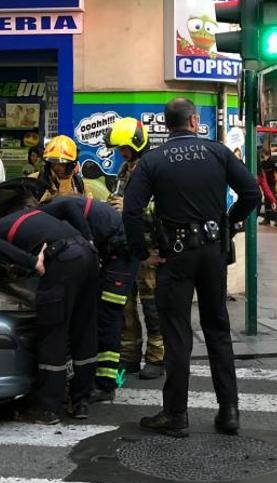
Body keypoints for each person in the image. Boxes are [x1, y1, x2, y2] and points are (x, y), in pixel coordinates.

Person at [122, 97, 260, 437]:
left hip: (175, 255)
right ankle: (229, 411)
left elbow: (131, 211)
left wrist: (143, 252)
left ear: (167, 126)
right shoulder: (217, 152)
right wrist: (229, 221)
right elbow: (252, 193)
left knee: (177, 333)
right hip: (212, 252)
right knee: (217, 329)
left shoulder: (152, 161)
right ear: (194, 121)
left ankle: (176, 415)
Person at [0, 204, 99, 425]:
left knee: (53, 333)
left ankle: (48, 408)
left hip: (63, 261)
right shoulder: (27, 215)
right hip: (88, 255)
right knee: (84, 329)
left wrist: (33, 263)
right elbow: (67, 210)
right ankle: (81, 401)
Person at [38, 195, 139, 403]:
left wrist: (89, 241)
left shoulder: (48, 211)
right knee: (100, 317)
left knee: (108, 319)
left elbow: (68, 205)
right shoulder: (62, 212)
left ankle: (105, 384)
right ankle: (98, 378)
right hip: (114, 256)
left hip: (120, 259)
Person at [104, 117, 165, 381]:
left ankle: (157, 358)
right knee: (126, 307)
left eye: (124, 148)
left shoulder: (154, 170)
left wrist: (128, 206)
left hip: (150, 251)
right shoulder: (124, 170)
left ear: (138, 144)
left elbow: (163, 208)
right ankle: (129, 358)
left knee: (152, 309)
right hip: (128, 249)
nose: (121, 153)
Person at [36, 135, 87, 202]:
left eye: (62, 164)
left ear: (72, 164)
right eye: (54, 162)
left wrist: (66, 180)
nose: (57, 167)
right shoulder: (35, 179)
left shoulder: (78, 182)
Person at [258, 146, 277, 227]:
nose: (262, 157)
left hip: (271, 184)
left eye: (263, 155)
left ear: (266, 154)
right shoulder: (263, 163)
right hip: (266, 184)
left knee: (273, 200)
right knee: (267, 202)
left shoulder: (272, 161)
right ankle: (267, 219)